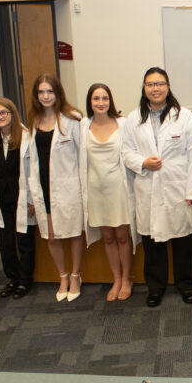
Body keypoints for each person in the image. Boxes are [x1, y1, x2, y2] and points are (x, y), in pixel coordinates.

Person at [122, 68, 192, 307]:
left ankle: (185, 285)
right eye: (150, 84)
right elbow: (126, 151)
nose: (155, 88)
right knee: (152, 243)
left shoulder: (185, 117)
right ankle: (155, 288)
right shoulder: (133, 119)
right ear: (144, 88)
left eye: (159, 83)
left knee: (182, 243)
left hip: (178, 190)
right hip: (148, 187)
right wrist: (142, 163)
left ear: (168, 87)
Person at [26, 74, 85, 302]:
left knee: (73, 233)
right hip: (42, 186)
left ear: (58, 93)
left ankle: (76, 275)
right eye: (41, 92)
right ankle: (63, 275)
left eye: (50, 91)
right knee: (51, 236)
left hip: (68, 186)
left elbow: (82, 157)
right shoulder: (33, 121)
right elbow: (30, 159)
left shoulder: (73, 119)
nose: (45, 96)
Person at [80, 83, 135, 302]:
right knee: (108, 237)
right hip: (96, 189)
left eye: (104, 98)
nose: (101, 103)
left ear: (110, 101)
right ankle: (116, 279)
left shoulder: (122, 123)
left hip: (118, 188)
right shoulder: (84, 124)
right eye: (96, 99)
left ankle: (127, 279)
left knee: (122, 236)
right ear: (90, 102)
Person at [0, 97, 36, 299]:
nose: (0, 117)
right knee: (4, 242)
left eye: (4, 112)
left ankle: (25, 281)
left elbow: (32, 172)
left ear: (12, 114)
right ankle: (12, 278)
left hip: (21, 197)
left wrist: (31, 199)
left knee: (24, 241)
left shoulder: (26, 137)